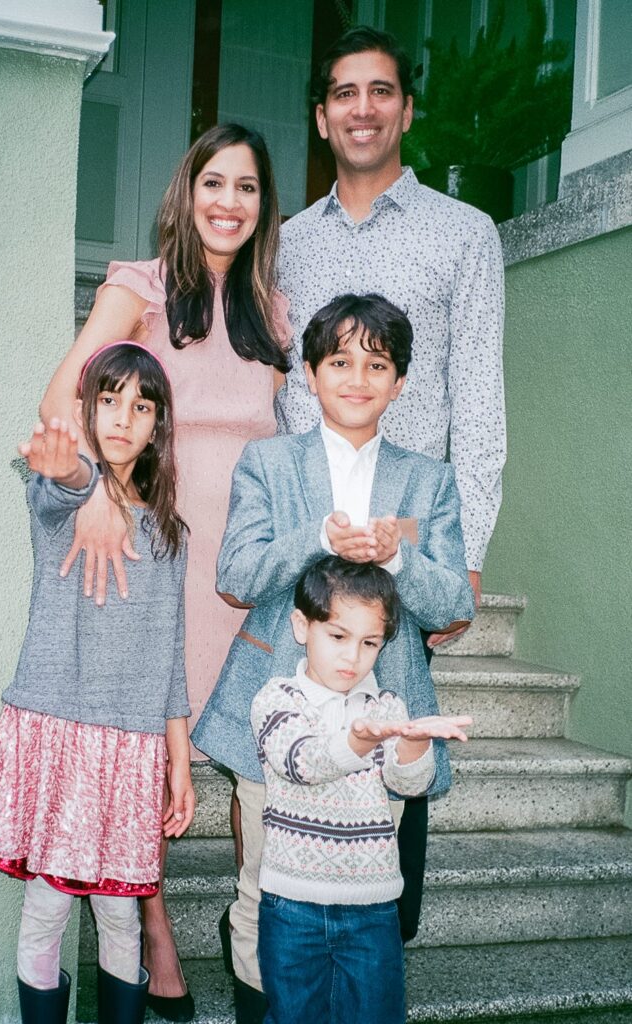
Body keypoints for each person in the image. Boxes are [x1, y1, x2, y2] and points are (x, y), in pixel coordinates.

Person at [40, 124, 290, 1019]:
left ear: (265, 205)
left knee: (246, 760)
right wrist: (106, 496)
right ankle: (154, 939)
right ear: (185, 193)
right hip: (160, 560)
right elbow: (63, 395)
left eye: (248, 187)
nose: (229, 202)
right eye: (213, 182)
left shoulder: (274, 307)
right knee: (146, 757)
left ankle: (253, 930)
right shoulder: (138, 288)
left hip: (249, 571)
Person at [275, 24, 505, 941]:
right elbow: (286, 388)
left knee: (397, 728)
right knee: (311, 718)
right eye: (343, 93)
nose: (361, 108)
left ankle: (383, 932)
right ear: (323, 116)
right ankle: (294, 918)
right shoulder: (288, 242)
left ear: (406, 109)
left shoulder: (466, 234)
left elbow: (479, 400)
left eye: (380, 92)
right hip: (315, 536)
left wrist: (467, 556)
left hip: (411, 538)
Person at [192, 293, 475, 1020]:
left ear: (400, 382)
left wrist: (400, 557)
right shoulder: (269, 463)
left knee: (375, 895)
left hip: (383, 718)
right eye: (339, 361)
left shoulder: (428, 479)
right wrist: (316, 535)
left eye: (376, 364)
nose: (358, 377)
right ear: (310, 376)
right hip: (276, 710)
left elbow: (453, 606)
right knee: (262, 883)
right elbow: (237, 576)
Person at [0, 343, 192, 1024]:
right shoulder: (60, 498)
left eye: (141, 405)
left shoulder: (170, 534)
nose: (123, 417)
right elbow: (64, 475)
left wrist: (179, 766)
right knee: (45, 907)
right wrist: (80, 473)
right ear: (88, 409)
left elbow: (172, 657)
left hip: (131, 749)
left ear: (158, 424)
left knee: (120, 912)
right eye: (109, 400)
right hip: (56, 730)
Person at [253, 557, 472, 1024]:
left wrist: (413, 743)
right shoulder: (277, 697)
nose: (352, 657)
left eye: (369, 643)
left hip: (373, 909)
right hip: (292, 908)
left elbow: (406, 783)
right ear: (301, 626)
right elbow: (302, 761)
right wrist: (360, 738)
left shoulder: (386, 704)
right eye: (338, 636)